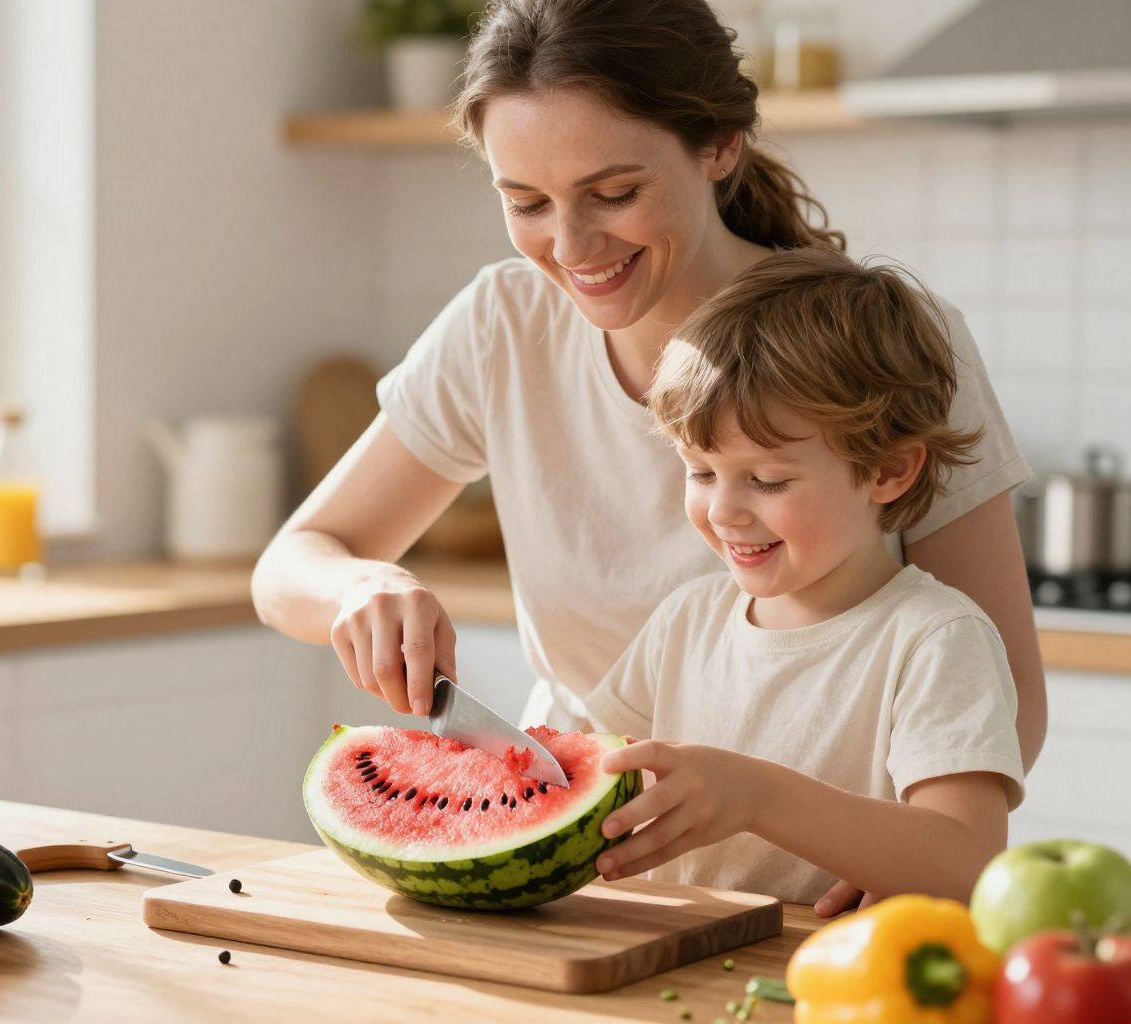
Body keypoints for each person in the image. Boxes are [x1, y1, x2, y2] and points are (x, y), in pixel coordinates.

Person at [250, 0, 1044, 915]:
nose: (571, 247)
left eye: (615, 193)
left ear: (720, 146)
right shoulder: (503, 325)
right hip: (607, 880)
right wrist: (360, 586)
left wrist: (891, 846)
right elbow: (289, 568)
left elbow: (1001, 692)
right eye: (526, 203)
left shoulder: (880, 345)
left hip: (831, 907)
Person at [582, 246, 1023, 904]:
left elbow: (969, 863)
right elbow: (584, 772)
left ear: (887, 470)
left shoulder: (935, 639)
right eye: (700, 471)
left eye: (766, 480)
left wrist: (758, 796)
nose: (722, 511)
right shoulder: (687, 620)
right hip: (678, 959)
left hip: (836, 966)